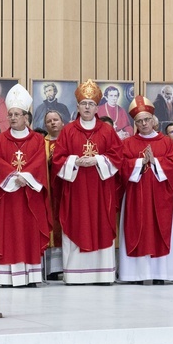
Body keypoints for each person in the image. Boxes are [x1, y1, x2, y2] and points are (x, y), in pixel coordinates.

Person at [52, 79, 124, 284]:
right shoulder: (68, 131)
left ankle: (103, 273)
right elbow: (57, 159)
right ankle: (75, 275)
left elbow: (117, 156)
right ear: (77, 106)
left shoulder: (107, 131)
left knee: (101, 223)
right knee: (77, 221)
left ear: (96, 107)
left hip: (101, 189)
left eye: (91, 104)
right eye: (83, 103)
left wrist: (97, 160)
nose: (87, 107)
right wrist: (75, 161)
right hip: (75, 189)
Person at [118, 96, 173, 283]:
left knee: (160, 230)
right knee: (136, 229)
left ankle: (160, 274)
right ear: (135, 122)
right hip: (136, 196)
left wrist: (156, 162)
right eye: (139, 121)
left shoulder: (166, 142)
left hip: (161, 195)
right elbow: (121, 167)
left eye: (147, 119)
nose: (144, 123)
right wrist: (140, 162)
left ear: (154, 120)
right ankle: (135, 275)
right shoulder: (128, 143)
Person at [0, 84, 52, 286]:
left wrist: (25, 177)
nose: (13, 118)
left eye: (17, 114)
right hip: (8, 196)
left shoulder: (37, 139)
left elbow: (39, 162)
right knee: (8, 233)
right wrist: (12, 177)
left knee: (29, 231)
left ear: (26, 116)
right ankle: (5, 277)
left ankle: (32, 276)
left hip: (29, 196)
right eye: (10, 114)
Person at [43, 110, 65, 279]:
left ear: (62, 122)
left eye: (55, 119)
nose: (53, 123)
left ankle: (68, 265)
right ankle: (52, 268)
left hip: (65, 187)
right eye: (49, 121)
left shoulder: (69, 139)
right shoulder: (41, 143)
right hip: (49, 190)